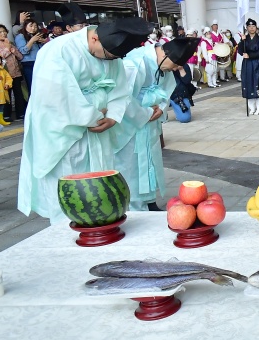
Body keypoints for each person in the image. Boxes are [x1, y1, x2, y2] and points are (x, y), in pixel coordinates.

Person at [18, 17, 151, 224]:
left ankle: (100, 226)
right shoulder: (58, 51)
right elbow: (57, 96)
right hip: (66, 130)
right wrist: (94, 115)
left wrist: (114, 116)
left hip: (99, 127)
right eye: (107, 56)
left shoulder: (111, 56)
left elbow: (120, 88)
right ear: (95, 38)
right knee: (69, 183)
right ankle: (65, 230)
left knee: (99, 182)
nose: (108, 62)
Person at [113, 37, 199, 211]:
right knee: (132, 164)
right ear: (165, 54)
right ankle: (134, 205)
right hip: (132, 124)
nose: (174, 70)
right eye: (174, 65)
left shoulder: (164, 64)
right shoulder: (136, 62)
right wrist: (145, 113)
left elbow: (166, 89)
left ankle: (149, 200)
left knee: (151, 160)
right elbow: (123, 97)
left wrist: (160, 107)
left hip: (150, 121)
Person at [0, 23, 25, 121]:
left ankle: (20, 114)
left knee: (18, 94)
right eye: (0, 32)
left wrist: (13, 50)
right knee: (5, 95)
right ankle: (6, 115)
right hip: (3, 74)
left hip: (16, 72)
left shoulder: (10, 42)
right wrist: (7, 49)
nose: (3, 33)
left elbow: (20, 57)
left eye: (4, 31)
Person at [238, 18, 259, 116]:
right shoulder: (244, 38)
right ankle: (252, 107)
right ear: (246, 28)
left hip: (257, 64)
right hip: (247, 64)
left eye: (253, 26)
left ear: (256, 27)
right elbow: (240, 51)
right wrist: (242, 41)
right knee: (248, 84)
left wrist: (250, 55)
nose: (251, 28)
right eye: (249, 26)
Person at [15, 18, 47, 91]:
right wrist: (32, 41)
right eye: (31, 26)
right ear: (25, 26)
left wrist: (43, 42)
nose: (33, 28)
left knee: (41, 85)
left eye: (35, 26)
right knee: (32, 85)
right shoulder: (20, 36)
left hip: (39, 62)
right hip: (28, 63)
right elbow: (23, 51)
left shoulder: (35, 36)